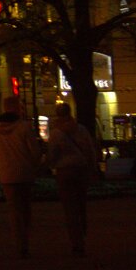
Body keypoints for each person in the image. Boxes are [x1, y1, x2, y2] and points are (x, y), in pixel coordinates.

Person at [0, 96, 44, 258]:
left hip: (7, 175)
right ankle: (25, 241)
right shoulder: (24, 127)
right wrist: (34, 165)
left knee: (14, 211)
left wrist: (1, 167)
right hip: (25, 173)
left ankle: (19, 243)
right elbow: (35, 151)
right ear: (16, 107)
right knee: (26, 209)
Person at [47, 103, 97, 255]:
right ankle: (82, 230)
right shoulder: (81, 129)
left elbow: (52, 154)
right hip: (81, 169)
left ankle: (76, 241)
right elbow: (90, 149)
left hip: (64, 171)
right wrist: (92, 168)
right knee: (81, 203)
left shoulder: (56, 133)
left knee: (70, 208)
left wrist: (50, 165)